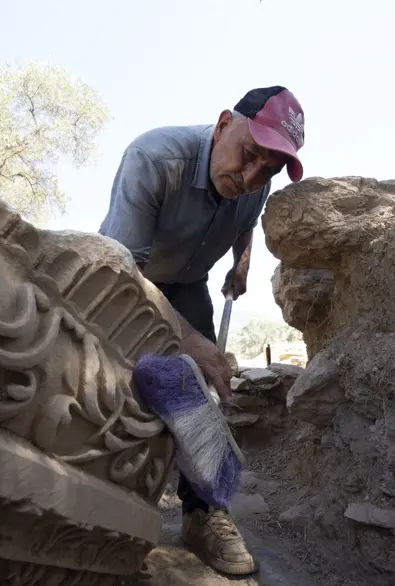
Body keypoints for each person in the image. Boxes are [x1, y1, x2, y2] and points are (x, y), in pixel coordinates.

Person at [99, 86, 305, 576]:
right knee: (128, 384)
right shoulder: (154, 157)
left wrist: (243, 265)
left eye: (269, 170)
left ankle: (202, 511)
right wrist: (189, 341)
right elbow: (123, 274)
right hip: (127, 280)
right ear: (222, 125)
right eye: (249, 154)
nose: (252, 176)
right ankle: (105, 506)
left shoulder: (255, 182)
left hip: (190, 285)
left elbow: (246, 220)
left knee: (203, 394)